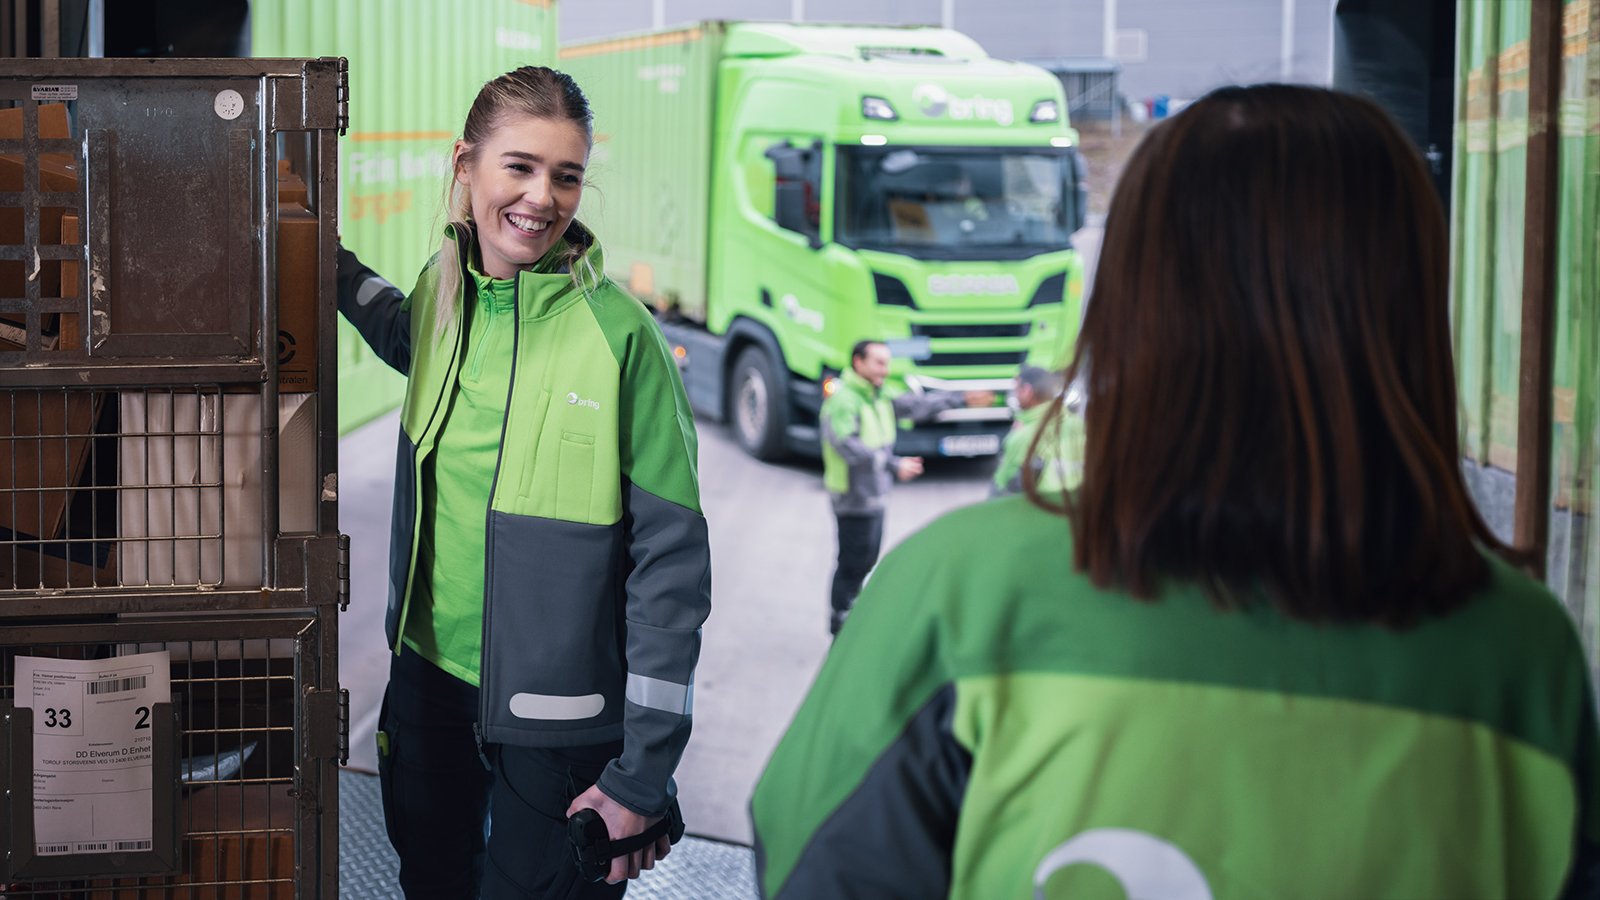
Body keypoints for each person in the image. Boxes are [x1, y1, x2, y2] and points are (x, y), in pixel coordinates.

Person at [752, 84, 1600, 898]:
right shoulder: (1526, 657)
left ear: (1130, 300)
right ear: (1413, 310)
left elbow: (808, 861)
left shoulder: (959, 592)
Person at [335, 66, 710, 899]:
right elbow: (401, 332)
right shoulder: (443, 293)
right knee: (432, 881)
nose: (543, 197)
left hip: (563, 722)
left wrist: (641, 775)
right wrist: (327, 263)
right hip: (428, 683)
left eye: (566, 174)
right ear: (466, 165)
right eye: (521, 166)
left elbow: (673, 572)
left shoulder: (623, 339)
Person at [820, 339, 991, 636]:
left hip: (874, 493)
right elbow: (847, 446)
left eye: (887, 363)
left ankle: (851, 612)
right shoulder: (844, 401)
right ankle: (840, 621)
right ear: (858, 363)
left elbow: (916, 406)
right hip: (853, 495)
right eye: (879, 363)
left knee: (866, 558)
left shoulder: (877, 395)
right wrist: (893, 465)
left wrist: (961, 399)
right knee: (852, 561)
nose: (885, 370)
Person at [989, 363, 1083, 497]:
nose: (1015, 395)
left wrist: (1013, 437)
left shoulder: (1023, 437)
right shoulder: (1081, 426)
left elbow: (1001, 488)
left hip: (1043, 511)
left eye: (1016, 389)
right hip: (1080, 509)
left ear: (1027, 392)